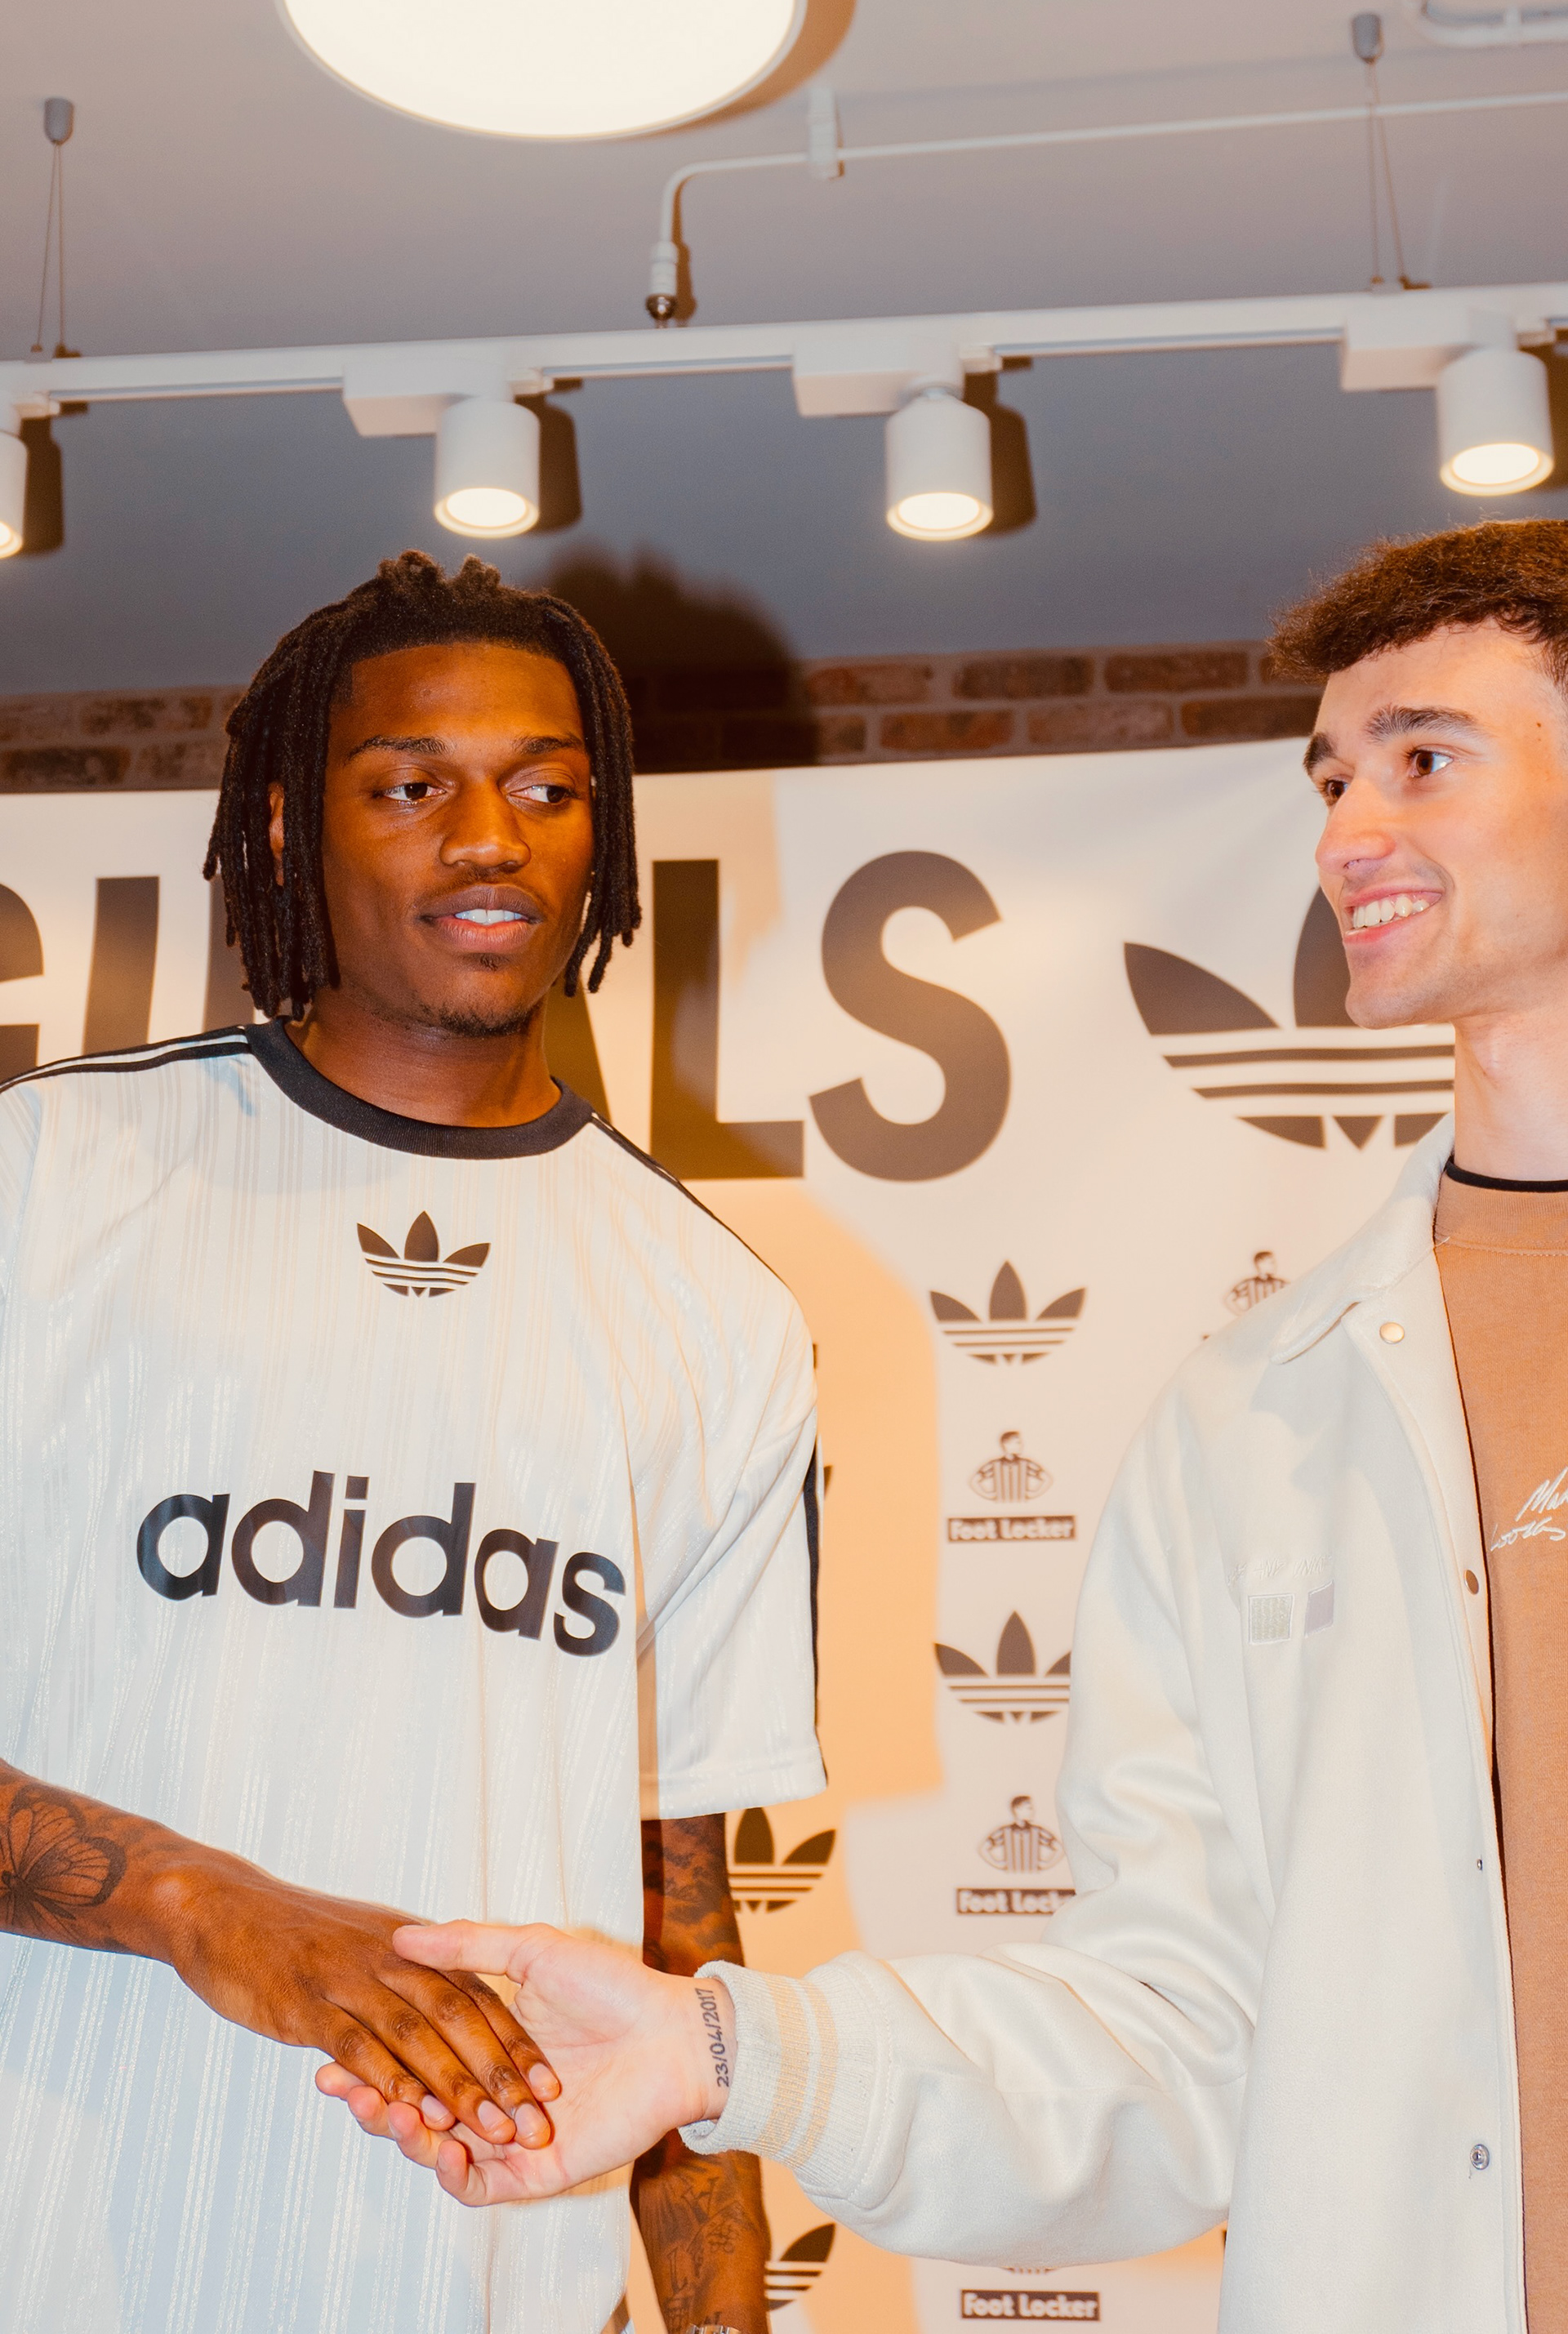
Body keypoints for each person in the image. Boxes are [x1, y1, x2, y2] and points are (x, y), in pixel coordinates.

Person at [323, 519, 1568, 2334]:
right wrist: (722, 2050)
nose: (1344, 835)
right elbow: (1175, 2036)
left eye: (1424, 760)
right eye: (1329, 780)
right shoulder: (1257, 1416)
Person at [0, 550, 823, 2334]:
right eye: (409, 786)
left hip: (489, 2280)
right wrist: (196, 1902)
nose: (488, 839)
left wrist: (725, 2316)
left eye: (546, 788)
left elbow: (685, 1923)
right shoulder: (48, 1181)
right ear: (287, 826)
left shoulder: (717, 1311)